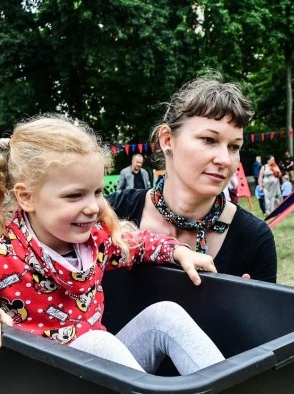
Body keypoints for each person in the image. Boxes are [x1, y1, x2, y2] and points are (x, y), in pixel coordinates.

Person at [0, 114, 224, 379]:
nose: (93, 207)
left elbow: (137, 244)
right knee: (97, 341)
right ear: (27, 197)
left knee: (164, 314)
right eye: (74, 195)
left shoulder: (95, 243)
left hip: (103, 382)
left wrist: (178, 251)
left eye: (96, 192)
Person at [109, 75, 277, 282]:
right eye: (209, 140)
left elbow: (263, 314)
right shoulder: (111, 214)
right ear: (168, 140)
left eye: (234, 146)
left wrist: (243, 310)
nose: (225, 159)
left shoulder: (254, 239)